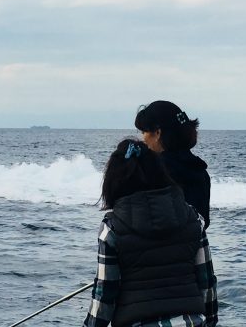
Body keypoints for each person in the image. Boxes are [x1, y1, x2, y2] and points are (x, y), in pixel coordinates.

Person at [85, 139, 218, 327]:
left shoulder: (112, 227)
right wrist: (211, 321)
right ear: (160, 172)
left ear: (114, 182)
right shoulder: (193, 218)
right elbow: (207, 282)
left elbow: (105, 294)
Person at [135, 100, 212, 228]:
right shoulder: (200, 170)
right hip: (194, 246)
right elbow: (204, 222)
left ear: (158, 133)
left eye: (144, 132)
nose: (143, 138)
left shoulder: (157, 170)